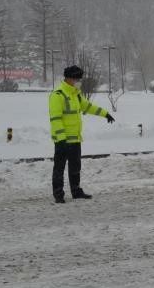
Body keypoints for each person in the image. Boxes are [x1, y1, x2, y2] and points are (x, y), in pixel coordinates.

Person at [48, 65, 115, 204]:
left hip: (75, 138)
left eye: (79, 79)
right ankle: (58, 194)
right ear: (68, 78)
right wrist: (61, 139)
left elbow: (88, 107)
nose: (79, 81)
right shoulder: (57, 95)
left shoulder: (76, 94)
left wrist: (105, 114)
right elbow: (55, 118)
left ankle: (76, 191)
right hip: (62, 140)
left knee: (75, 167)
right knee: (59, 168)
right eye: (77, 78)